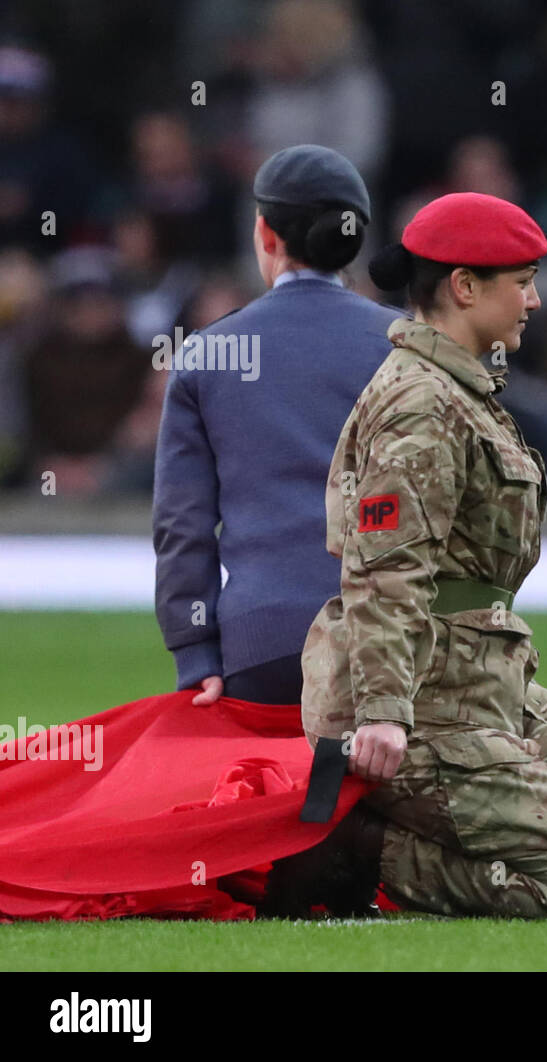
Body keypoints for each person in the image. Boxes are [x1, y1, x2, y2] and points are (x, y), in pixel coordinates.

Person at [283, 192, 547, 921]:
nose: (535, 300)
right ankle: (357, 846)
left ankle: (462, 811)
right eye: (522, 280)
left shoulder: (460, 388)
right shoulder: (423, 404)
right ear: (465, 287)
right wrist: (382, 716)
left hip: (469, 682)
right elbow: (386, 570)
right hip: (417, 702)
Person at [153, 144, 395, 706]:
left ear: (265, 234)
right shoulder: (407, 348)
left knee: (269, 793)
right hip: (388, 639)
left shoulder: (207, 355)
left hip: (260, 640)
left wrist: (194, 649)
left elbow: (181, 525)